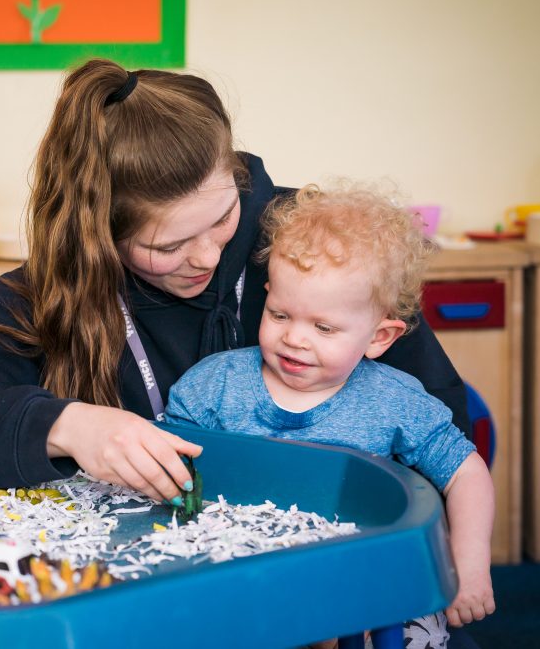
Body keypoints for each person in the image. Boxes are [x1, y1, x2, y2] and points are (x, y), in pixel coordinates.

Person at [0, 57, 469, 508]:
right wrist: (69, 425)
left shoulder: (318, 249)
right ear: (100, 236)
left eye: (223, 217)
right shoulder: (46, 293)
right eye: (167, 246)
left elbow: (439, 418)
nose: (208, 256)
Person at [162, 184, 495, 640]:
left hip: (366, 577)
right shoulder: (212, 387)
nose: (295, 338)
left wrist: (470, 560)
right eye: (280, 314)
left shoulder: (395, 402)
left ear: (379, 337)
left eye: (323, 327)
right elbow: (169, 471)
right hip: (251, 577)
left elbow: (466, 474)